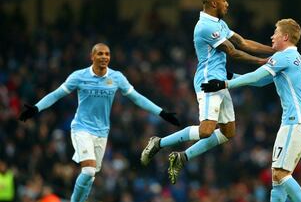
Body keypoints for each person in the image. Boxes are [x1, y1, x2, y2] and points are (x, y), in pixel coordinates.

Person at [140, 0, 275, 184]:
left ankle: (181, 157)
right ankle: (158, 143)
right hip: (209, 82)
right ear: (214, 3)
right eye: (224, 0)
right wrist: (263, 62)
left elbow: (243, 42)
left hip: (221, 81)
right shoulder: (205, 26)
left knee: (228, 132)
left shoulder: (219, 23)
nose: (227, 4)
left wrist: (273, 51)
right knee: (206, 130)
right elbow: (233, 52)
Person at [18, 43, 180, 202]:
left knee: (91, 176)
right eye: (100, 54)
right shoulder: (79, 76)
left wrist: (162, 113)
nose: (104, 57)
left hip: (102, 132)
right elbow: (56, 94)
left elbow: (137, 98)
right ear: (92, 56)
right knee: (88, 171)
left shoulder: (116, 77)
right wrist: (36, 108)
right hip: (81, 128)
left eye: (107, 54)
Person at [201, 18, 301, 202]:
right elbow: (261, 81)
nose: (272, 36)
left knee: (281, 174)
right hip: (296, 121)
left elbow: (254, 77)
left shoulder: (283, 56)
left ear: (285, 36)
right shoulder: (295, 58)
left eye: (275, 32)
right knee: (277, 178)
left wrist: (223, 83)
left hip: (297, 120)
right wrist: (231, 76)